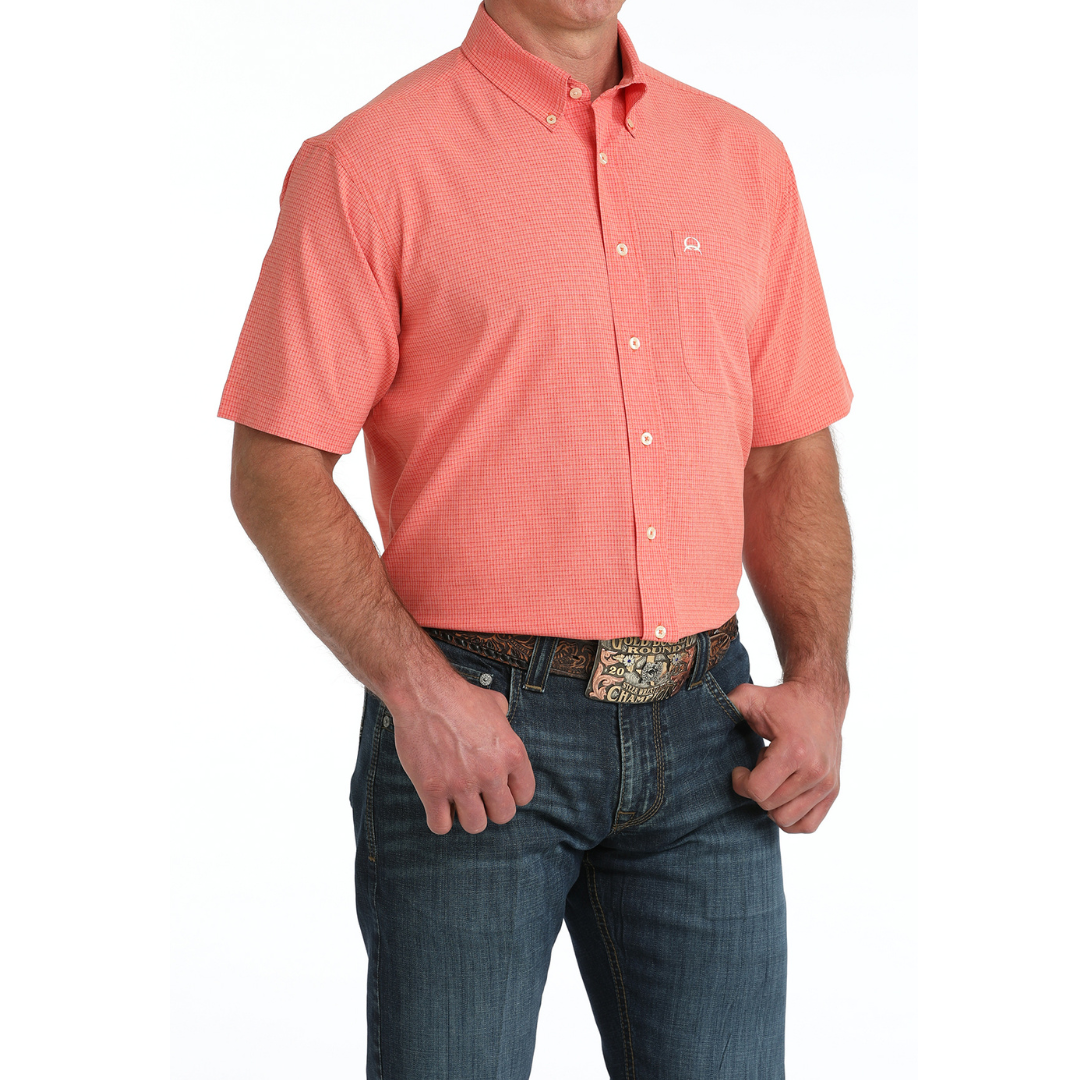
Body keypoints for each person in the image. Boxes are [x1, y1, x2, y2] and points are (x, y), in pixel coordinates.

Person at [218, 0, 853, 1075]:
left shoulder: (744, 159)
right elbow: (275, 467)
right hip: (479, 735)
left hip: (713, 738)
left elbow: (785, 453)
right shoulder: (369, 164)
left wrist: (822, 682)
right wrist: (420, 695)